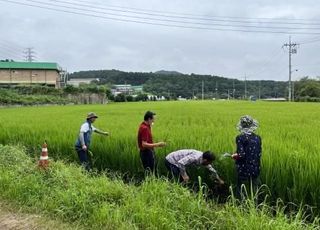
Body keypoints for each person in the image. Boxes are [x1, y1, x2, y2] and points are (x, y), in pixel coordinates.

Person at [232, 115, 262, 198]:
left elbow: (241, 155)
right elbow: (258, 153)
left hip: (244, 168)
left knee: (241, 188)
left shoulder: (240, 138)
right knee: (254, 189)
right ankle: (254, 207)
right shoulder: (258, 138)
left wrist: (234, 156)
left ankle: (240, 207)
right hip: (255, 167)